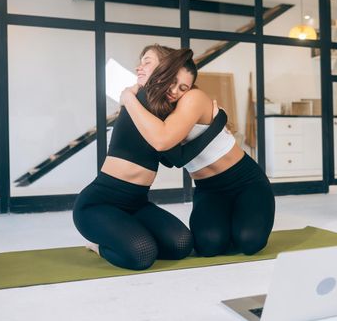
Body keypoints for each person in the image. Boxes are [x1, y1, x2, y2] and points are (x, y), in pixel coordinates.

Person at [73, 45, 228, 270]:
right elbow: (176, 156)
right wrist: (217, 123)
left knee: (181, 245)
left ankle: (127, 232)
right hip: (98, 205)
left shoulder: (161, 109)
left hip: (137, 204)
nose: (139, 67)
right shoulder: (142, 99)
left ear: (166, 66)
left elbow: (170, 158)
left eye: (147, 61)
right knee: (142, 255)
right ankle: (99, 246)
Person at [120, 50, 275, 257]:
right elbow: (172, 159)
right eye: (172, 82)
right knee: (208, 246)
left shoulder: (194, 98)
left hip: (245, 182)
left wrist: (127, 98)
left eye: (183, 87)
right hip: (209, 189)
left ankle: (240, 221)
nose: (175, 91)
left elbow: (165, 144)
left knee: (249, 242)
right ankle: (229, 222)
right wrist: (217, 123)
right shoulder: (159, 109)